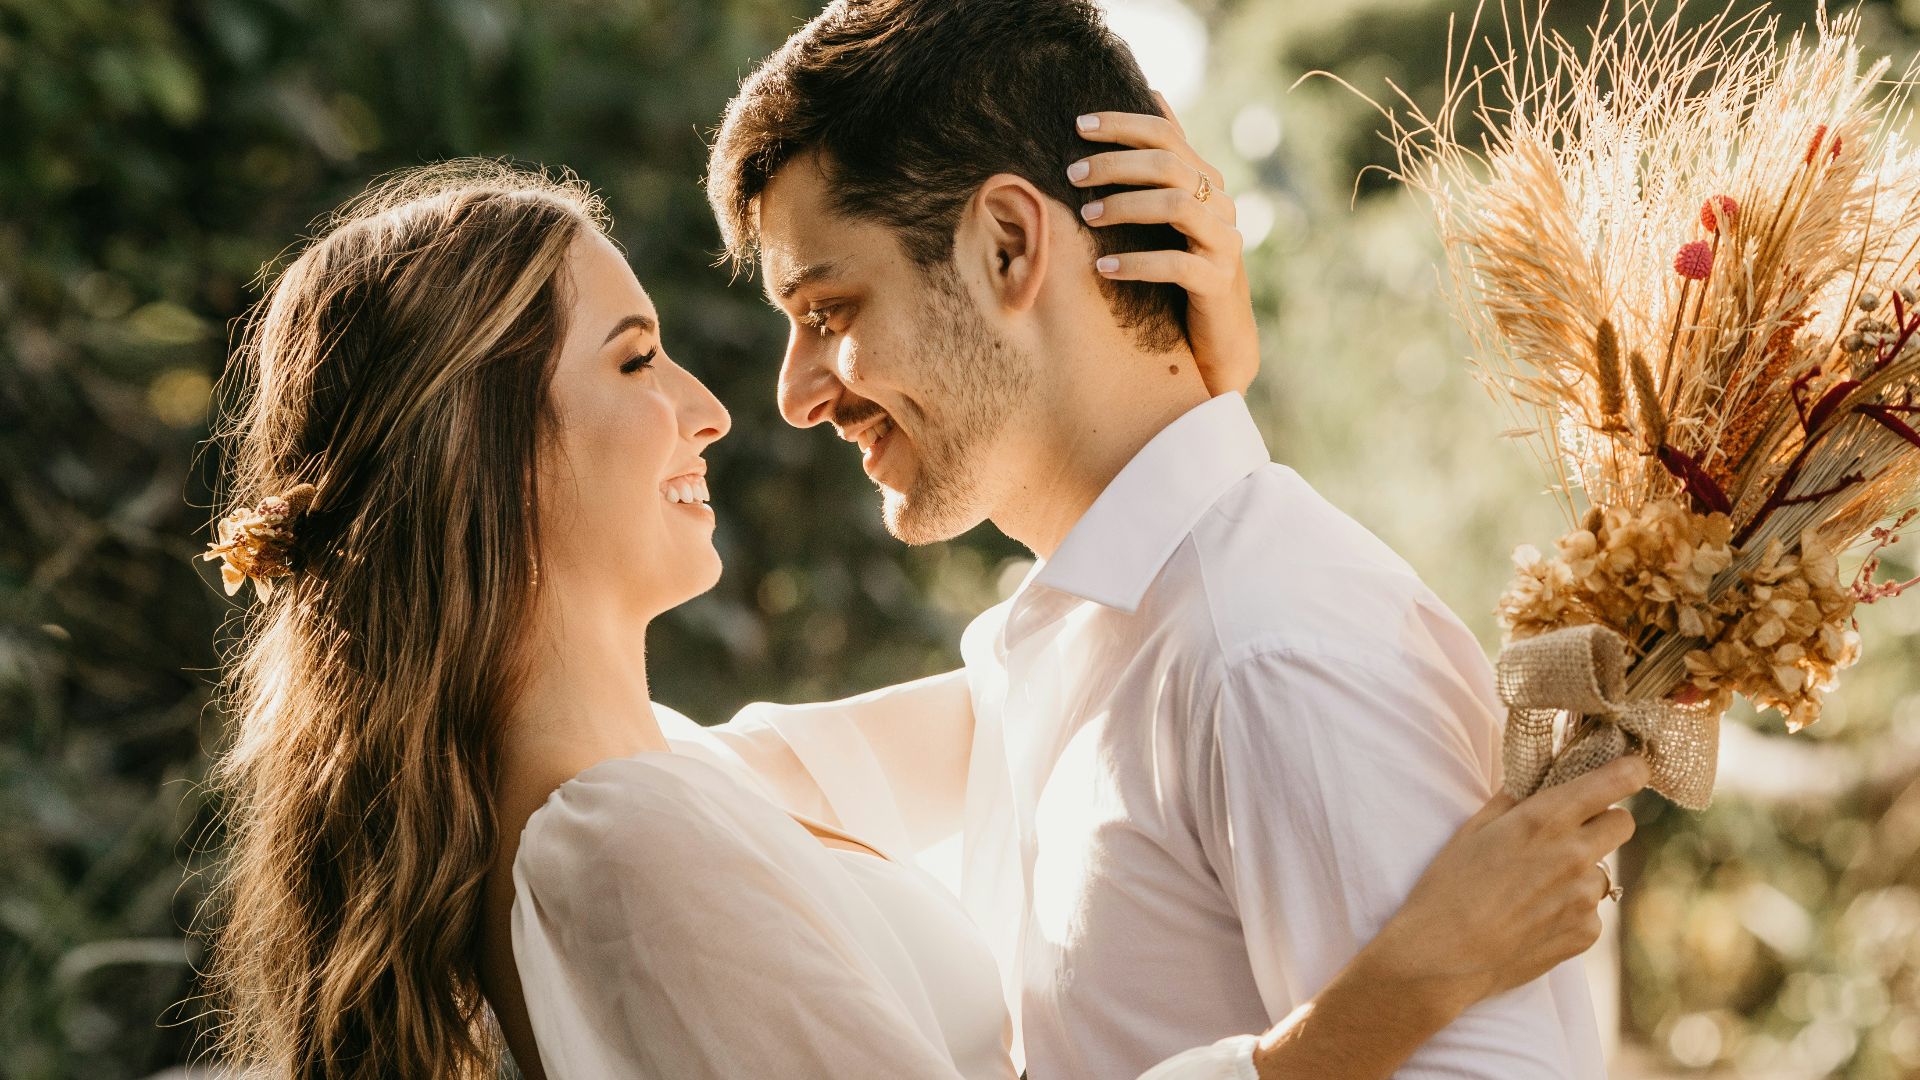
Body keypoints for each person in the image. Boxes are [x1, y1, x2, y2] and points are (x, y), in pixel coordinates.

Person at [197, 152, 1633, 1080]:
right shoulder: (620, 848)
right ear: (488, 452)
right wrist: (1372, 1013)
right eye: (636, 362)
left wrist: (1178, 402)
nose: (712, 409)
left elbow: (1050, 674)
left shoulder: (680, 781)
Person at [697, 1, 1625, 1077]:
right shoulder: (1056, 647)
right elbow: (689, 787)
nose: (797, 395)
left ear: (1008, 246)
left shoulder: (1275, 654)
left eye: (829, 309)